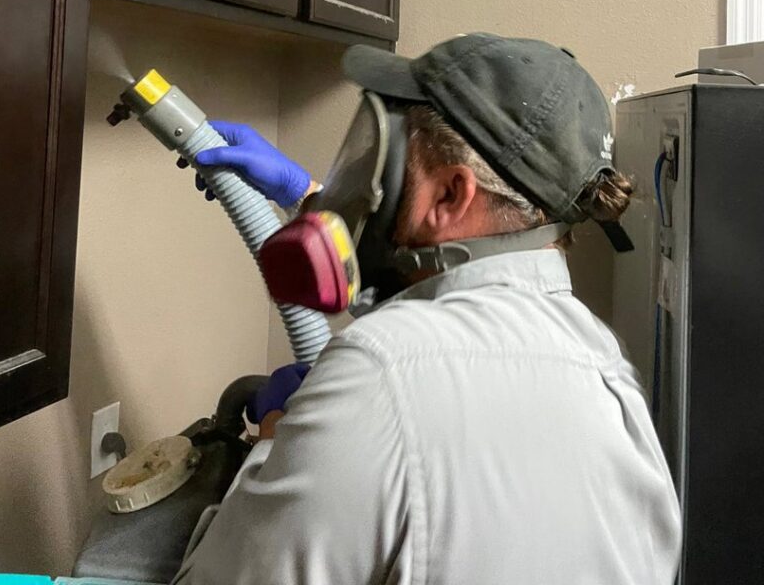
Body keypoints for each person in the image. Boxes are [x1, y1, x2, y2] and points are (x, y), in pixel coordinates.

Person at [174, 34, 682, 585]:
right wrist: (308, 194)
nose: (367, 182)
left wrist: (276, 436)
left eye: (386, 162)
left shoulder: (381, 370)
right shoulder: (607, 370)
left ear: (450, 196)